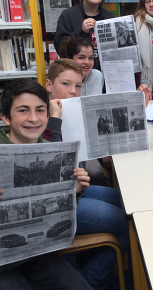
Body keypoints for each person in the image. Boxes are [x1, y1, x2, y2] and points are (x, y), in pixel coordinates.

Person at [0, 79, 92, 290]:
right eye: (23, 110)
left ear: (48, 115)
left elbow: (55, 212)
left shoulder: (51, 150)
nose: (33, 118)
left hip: (36, 253)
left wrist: (73, 191)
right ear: (5, 117)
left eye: (40, 110)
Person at [44, 59, 130, 289]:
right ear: (48, 85)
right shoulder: (40, 115)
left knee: (125, 202)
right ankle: (88, 280)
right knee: (128, 223)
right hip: (58, 201)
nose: (73, 91)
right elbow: (46, 161)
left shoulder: (73, 109)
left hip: (75, 190)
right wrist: (54, 120)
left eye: (78, 86)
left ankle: (84, 260)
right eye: (66, 84)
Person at [54, 0, 115, 71]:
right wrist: (81, 32)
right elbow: (61, 50)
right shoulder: (68, 16)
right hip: (77, 77)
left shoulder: (110, 18)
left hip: (106, 78)